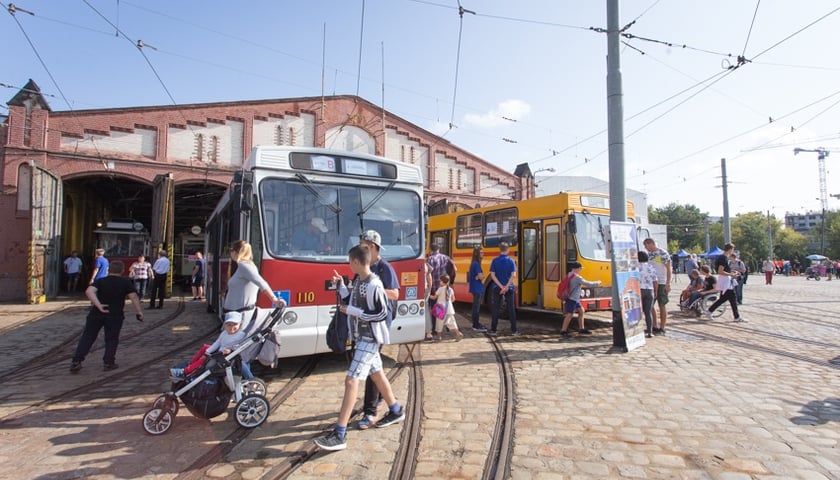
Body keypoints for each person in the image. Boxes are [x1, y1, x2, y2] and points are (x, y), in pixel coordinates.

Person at [314, 245, 405, 451]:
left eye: (349, 261)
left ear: (356, 262)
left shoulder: (374, 284)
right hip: (361, 336)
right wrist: (342, 287)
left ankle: (340, 433)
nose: (348, 264)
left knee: (351, 380)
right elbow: (352, 300)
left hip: (369, 338)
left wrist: (354, 311)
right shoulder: (359, 282)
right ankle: (396, 410)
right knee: (377, 374)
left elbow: (381, 314)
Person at [356, 230, 400, 431]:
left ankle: (371, 411)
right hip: (365, 322)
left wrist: (376, 288)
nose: (359, 249)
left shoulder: (384, 268)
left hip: (379, 323)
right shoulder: (364, 266)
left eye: (363, 245)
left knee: (368, 368)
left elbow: (395, 293)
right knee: (374, 367)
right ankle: (386, 400)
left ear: (372, 247)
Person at [69, 260, 144, 372]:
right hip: (115, 314)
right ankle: (108, 362)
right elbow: (133, 297)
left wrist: (98, 305)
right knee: (111, 339)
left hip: (96, 314)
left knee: (88, 337)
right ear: (122, 270)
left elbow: (89, 291)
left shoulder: (101, 281)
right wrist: (139, 312)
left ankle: (76, 361)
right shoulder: (125, 282)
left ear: (109, 270)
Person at [170, 311, 250, 378]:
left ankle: (185, 371)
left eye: (234, 324)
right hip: (220, 352)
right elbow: (217, 343)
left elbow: (240, 346)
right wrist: (208, 351)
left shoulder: (241, 335)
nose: (232, 327)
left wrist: (230, 350)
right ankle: (191, 364)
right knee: (205, 347)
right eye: (229, 325)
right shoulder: (224, 333)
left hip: (226, 356)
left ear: (239, 324)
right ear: (225, 325)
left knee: (205, 359)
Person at [704, 243, 747, 323]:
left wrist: (731, 272)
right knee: (731, 298)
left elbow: (722, 270)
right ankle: (736, 317)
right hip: (725, 281)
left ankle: (710, 311)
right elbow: (720, 271)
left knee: (727, 299)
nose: (733, 251)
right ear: (730, 249)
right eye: (732, 250)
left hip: (725, 280)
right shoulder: (723, 258)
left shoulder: (722, 257)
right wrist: (731, 274)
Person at [558, 261, 602, 338]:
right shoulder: (577, 277)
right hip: (573, 299)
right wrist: (597, 283)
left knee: (581, 311)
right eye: (580, 268)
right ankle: (563, 330)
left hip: (573, 298)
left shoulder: (568, 275)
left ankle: (581, 328)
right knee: (569, 314)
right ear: (577, 268)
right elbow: (588, 283)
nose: (580, 270)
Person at [488, 241, 519, 336]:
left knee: (496, 308)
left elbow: (492, 275)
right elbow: (513, 275)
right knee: (511, 309)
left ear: (499, 249)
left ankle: (493, 329)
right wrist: (506, 286)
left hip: (497, 287)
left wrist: (501, 286)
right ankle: (514, 330)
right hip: (509, 288)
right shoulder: (511, 261)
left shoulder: (495, 260)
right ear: (508, 250)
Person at [643, 238, 671, 334]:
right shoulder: (649, 255)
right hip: (651, 282)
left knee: (662, 304)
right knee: (650, 305)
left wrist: (668, 283)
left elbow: (668, 268)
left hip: (661, 282)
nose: (645, 248)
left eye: (645, 245)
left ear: (650, 243)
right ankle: (654, 325)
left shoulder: (662, 253)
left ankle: (662, 327)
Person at [425, 243, 452, 341]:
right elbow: (454, 269)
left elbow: (428, 275)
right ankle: (444, 327)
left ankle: (434, 329)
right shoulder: (445, 258)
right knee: (443, 307)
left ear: (431, 250)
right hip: (444, 287)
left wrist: (429, 288)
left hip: (434, 288)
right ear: (439, 249)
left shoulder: (430, 259)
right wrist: (449, 282)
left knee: (434, 309)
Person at [430, 274, 463, 341]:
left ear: (442, 282)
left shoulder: (440, 289)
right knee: (452, 322)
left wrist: (428, 296)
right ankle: (458, 333)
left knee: (439, 323)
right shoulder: (450, 289)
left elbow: (434, 297)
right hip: (449, 309)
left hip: (441, 309)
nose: (439, 282)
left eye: (440, 281)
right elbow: (453, 299)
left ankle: (439, 336)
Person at [638, 252, 658, 338]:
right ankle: (650, 331)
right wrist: (655, 291)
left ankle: (637, 331)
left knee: (638, 312)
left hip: (639, 290)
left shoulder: (636, 267)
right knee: (648, 312)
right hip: (650, 290)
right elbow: (655, 281)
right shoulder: (651, 267)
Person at [468, 246, 488, 332]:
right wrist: (481, 276)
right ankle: (475, 325)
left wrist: (479, 276)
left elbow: (479, 276)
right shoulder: (476, 264)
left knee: (476, 306)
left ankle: (476, 323)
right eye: (481, 253)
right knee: (476, 307)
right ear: (477, 254)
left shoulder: (474, 263)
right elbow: (481, 276)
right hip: (477, 288)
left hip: (476, 287)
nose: (483, 254)